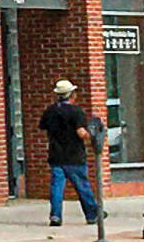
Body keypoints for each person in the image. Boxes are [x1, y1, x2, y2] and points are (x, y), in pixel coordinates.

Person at [41, 79, 100, 228]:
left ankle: (55, 215)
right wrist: (93, 135)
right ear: (72, 94)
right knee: (82, 187)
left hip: (56, 155)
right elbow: (81, 133)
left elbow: (43, 127)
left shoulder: (50, 111)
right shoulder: (76, 112)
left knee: (56, 188)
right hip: (74, 155)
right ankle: (92, 214)